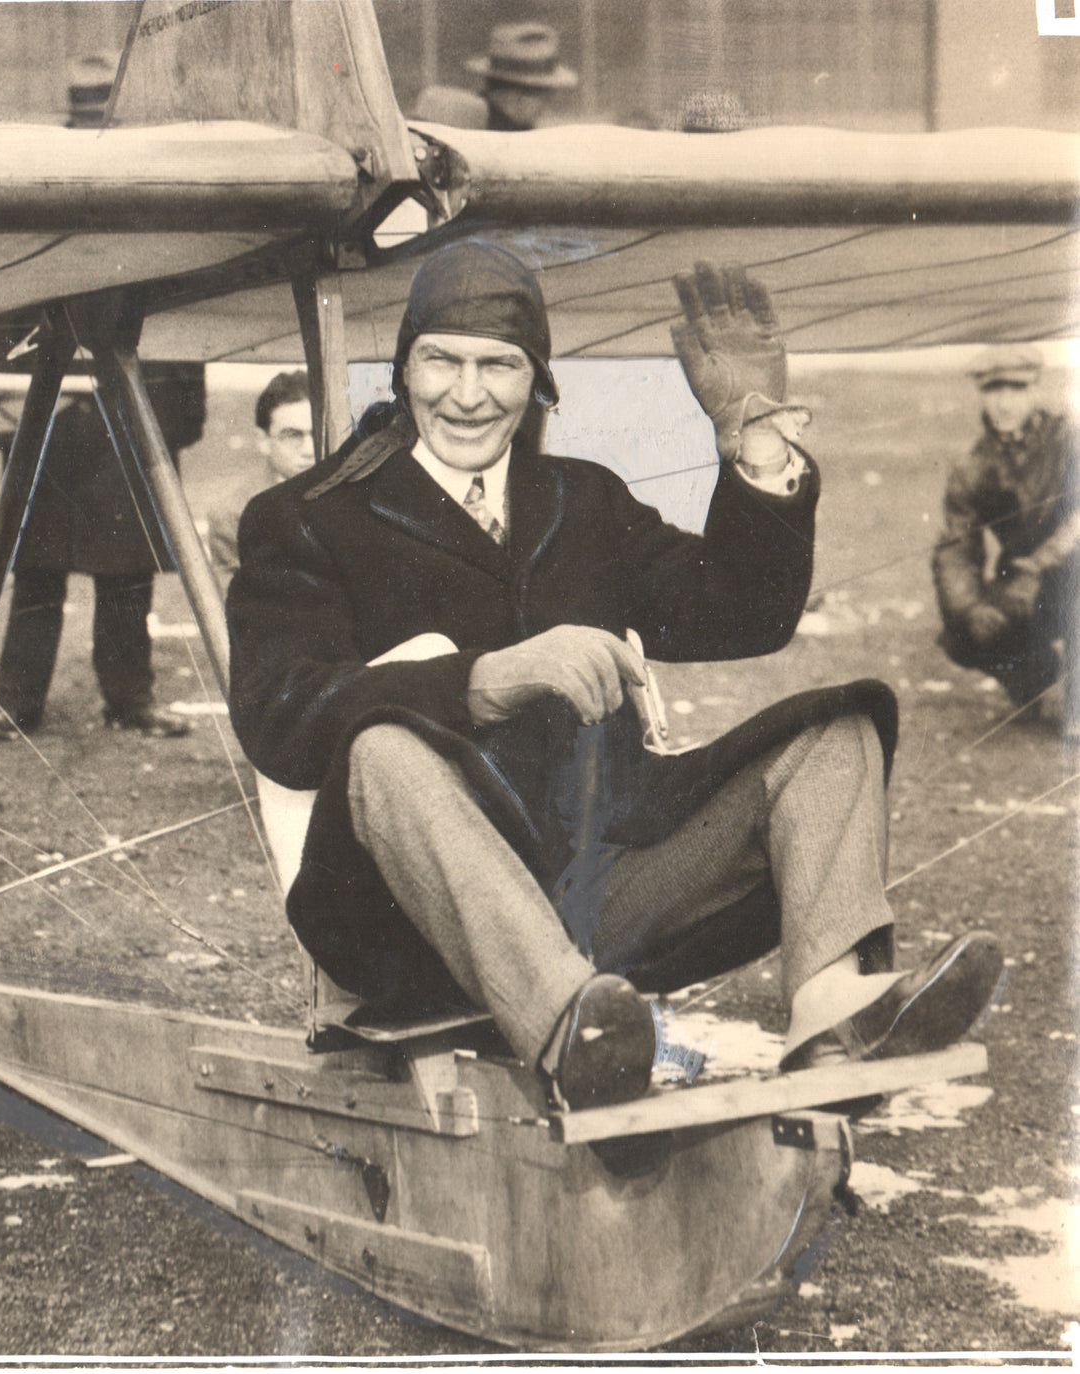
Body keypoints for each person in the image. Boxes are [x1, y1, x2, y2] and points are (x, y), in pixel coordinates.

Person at [227, 242, 1003, 1114]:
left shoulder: (578, 499)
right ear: (403, 370)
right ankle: (574, 1037)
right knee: (380, 748)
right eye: (440, 360)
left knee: (837, 731)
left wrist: (753, 438)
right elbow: (278, 717)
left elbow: (741, 614)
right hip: (414, 921)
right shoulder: (308, 518)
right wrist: (489, 676)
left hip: (599, 888)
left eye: (500, 365)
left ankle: (832, 1021)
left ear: (538, 383)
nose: (468, 393)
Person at [0, 63, 205, 744]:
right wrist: (6, 422)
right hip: (49, 433)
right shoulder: (30, 223)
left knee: (129, 581)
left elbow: (185, 327)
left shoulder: (163, 222)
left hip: (129, 430)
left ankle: (131, 699)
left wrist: (177, 424)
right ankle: (16, 703)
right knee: (35, 578)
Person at [932, 344, 1078, 737]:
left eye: (1016, 389)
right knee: (963, 635)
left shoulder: (1069, 441)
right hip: (1021, 583)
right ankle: (1036, 685)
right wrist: (968, 607)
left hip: (1070, 567)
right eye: (994, 390)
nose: (1004, 403)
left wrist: (1041, 564)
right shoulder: (972, 465)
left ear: (1035, 390)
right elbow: (956, 546)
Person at [206, 371, 313, 586]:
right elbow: (235, 610)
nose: (309, 450)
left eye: (317, 432)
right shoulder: (234, 516)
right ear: (263, 440)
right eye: (292, 435)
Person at [411, 23, 576, 132]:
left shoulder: (520, 130)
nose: (548, 103)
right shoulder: (470, 124)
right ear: (516, 95)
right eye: (543, 93)